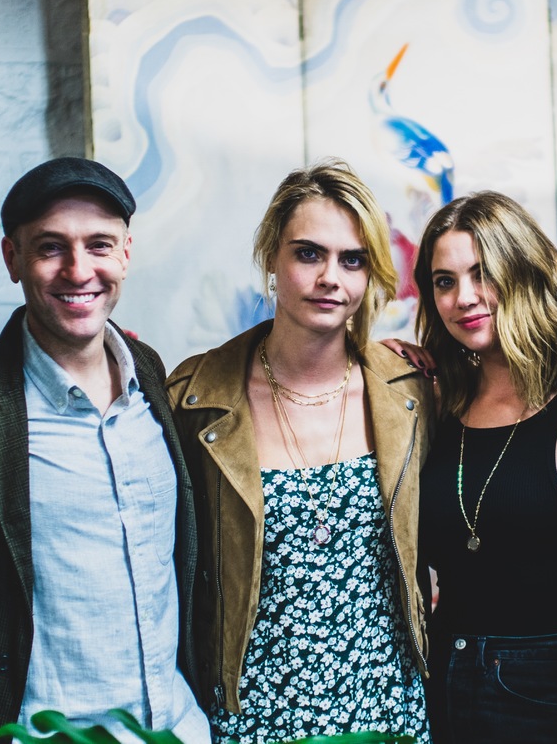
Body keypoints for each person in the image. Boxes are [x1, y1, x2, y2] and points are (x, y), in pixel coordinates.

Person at [166, 159, 433, 743]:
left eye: (353, 259)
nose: (330, 277)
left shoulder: (408, 392)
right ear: (272, 259)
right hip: (253, 710)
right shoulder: (195, 398)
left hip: (386, 707)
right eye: (308, 253)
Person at [0, 158, 210, 744]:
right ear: (12, 259)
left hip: (176, 729)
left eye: (99, 245)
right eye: (51, 248)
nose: (78, 270)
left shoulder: (153, 376)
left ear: (126, 254)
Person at [386, 190, 557, 744]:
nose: (464, 297)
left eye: (482, 273)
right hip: (441, 680)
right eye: (444, 281)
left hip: (549, 696)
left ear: (523, 272)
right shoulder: (435, 400)